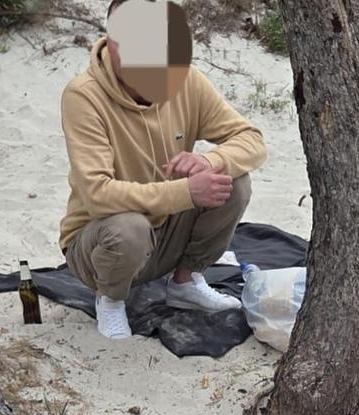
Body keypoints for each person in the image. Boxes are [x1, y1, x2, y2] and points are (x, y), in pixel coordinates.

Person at [58, 0, 268, 339]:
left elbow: (252, 140)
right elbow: (98, 195)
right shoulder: (83, 96)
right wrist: (185, 191)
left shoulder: (185, 81)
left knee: (233, 181)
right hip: (99, 244)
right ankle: (110, 300)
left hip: (164, 235)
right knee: (129, 227)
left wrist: (207, 162)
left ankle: (185, 282)